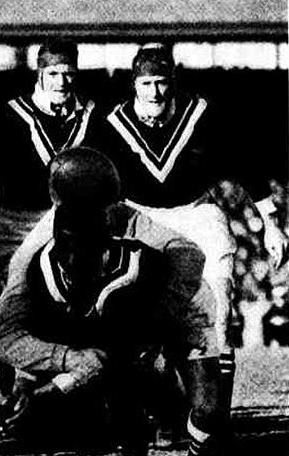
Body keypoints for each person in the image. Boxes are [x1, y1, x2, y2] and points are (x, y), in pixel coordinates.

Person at [0, 147, 225, 456]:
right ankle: (134, 447)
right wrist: (61, 362)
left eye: (107, 203)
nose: (106, 214)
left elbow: (188, 255)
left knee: (206, 408)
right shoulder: (34, 257)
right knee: (115, 366)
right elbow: (1, 335)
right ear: (61, 206)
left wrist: (156, 317)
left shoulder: (129, 220)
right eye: (93, 206)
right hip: (119, 315)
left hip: (177, 305)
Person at [102, 43, 287, 414]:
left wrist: (270, 224)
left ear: (174, 82)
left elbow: (244, 163)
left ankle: (215, 417)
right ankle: (162, 412)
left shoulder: (200, 114)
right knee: (141, 325)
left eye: (163, 82)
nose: (156, 91)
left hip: (196, 211)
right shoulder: (112, 125)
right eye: (148, 83)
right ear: (134, 85)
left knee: (218, 310)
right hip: (142, 218)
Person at [0, 38, 109, 289]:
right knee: (19, 291)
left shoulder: (92, 117)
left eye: (68, 74)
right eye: (52, 73)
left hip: (73, 223)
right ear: (40, 73)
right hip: (18, 222)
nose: (61, 82)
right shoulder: (10, 115)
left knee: (75, 293)